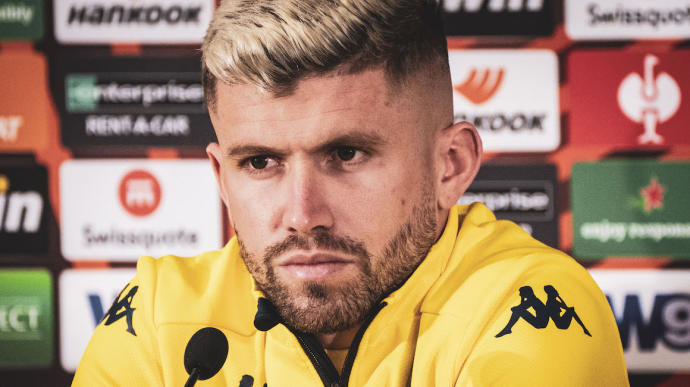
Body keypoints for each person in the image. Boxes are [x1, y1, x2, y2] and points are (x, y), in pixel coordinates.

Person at [73, 0, 628, 385]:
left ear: (450, 165)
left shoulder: (534, 305)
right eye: (260, 162)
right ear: (222, 178)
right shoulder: (158, 314)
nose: (301, 215)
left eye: (346, 155)